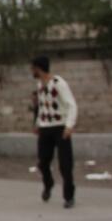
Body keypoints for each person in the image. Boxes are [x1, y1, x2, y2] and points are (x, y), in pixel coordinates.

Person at [31, 55, 77, 208]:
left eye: (33, 68)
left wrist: (69, 125)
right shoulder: (39, 86)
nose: (32, 71)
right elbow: (42, 107)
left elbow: (71, 105)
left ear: (38, 68)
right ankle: (48, 183)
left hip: (60, 127)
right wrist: (38, 123)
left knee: (65, 164)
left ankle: (69, 196)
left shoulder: (58, 84)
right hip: (45, 127)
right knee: (43, 162)